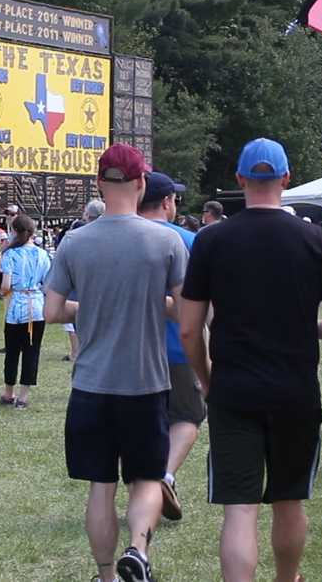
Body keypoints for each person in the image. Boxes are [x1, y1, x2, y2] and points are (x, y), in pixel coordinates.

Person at [180, 138, 322, 582]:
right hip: (294, 390)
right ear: (286, 179)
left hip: (234, 389)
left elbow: (188, 327)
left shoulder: (211, 239)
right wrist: (310, 329)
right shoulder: (316, 239)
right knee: (288, 499)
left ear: (240, 180)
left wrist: (206, 380)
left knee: (239, 510)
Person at [45, 144, 189, 582]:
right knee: (146, 479)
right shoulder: (165, 240)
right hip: (145, 383)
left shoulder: (75, 241)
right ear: (141, 182)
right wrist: (154, 303)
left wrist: (86, 308)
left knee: (100, 488)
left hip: (91, 385)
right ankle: (138, 550)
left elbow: (52, 312)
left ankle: (107, 575)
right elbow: (185, 314)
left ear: (99, 184)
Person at [138, 171, 203, 522]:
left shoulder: (120, 237)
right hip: (178, 347)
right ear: (167, 202)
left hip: (130, 348)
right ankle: (163, 474)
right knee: (188, 415)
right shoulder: (189, 240)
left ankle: (141, 489)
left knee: (140, 419)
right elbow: (199, 304)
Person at [0, 214, 50, 409]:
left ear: (15, 232)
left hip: (16, 308)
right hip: (36, 307)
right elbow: (47, 284)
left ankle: (8, 392)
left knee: (12, 351)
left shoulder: (10, 255)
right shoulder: (43, 254)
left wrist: (4, 290)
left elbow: (5, 285)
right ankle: (23, 396)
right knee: (32, 350)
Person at [59, 199, 105, 361]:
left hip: (81, 294)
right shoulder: (114, 237)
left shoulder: (74, 239)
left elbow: (52, 308)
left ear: (87, 215)